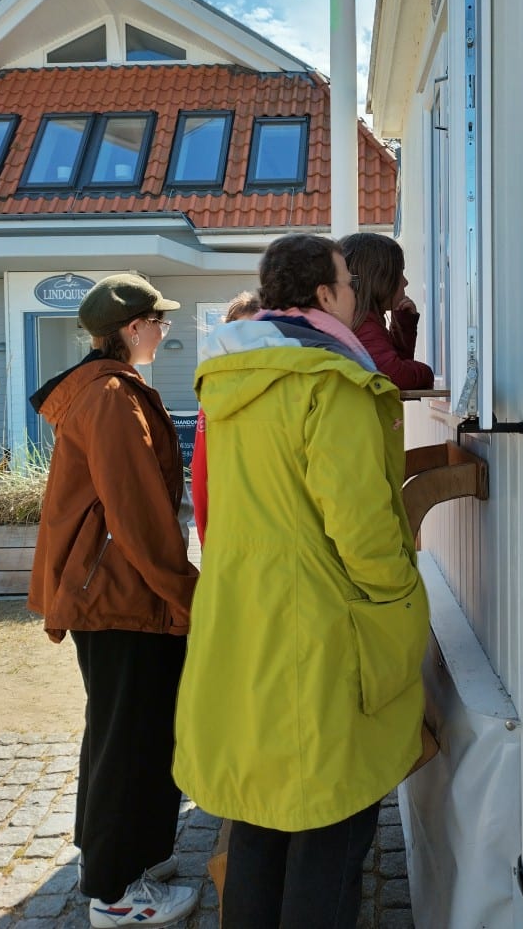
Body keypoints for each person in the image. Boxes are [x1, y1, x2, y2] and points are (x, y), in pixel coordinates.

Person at [173, 234, 430, 928]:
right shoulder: (329, 382)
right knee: (330, 828)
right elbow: (363, 529)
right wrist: (403, 603)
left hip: (243, 625)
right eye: (348, 282)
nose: (355, 295)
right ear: (323, 295)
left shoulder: (227, 384)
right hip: (320, 636)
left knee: (259, 819)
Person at [27, 273, 200, 929]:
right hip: (120, 594)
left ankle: (121, 855)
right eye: (158, 320)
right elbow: (137, 515)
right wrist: (186, 592)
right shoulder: (111, 399)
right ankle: (114, 892)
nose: (165, 330)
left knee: (121, 729)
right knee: (132, 736)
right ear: (133, 327)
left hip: (115, 591)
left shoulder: (108, 390)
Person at [190, 289, 260, 542]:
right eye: (238, 332)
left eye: (254, 332)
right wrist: (206, 537)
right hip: (229, 529)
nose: (245, 343)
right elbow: (201, 473)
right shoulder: (213, 393)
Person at [339, 232, 434, 390]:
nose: (406, 282)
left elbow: (389, 364)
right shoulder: (363, 324)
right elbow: (394, 376)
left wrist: (403, 327)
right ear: (379, 279)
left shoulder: (358, 320)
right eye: (399, 273)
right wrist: (427, 372)